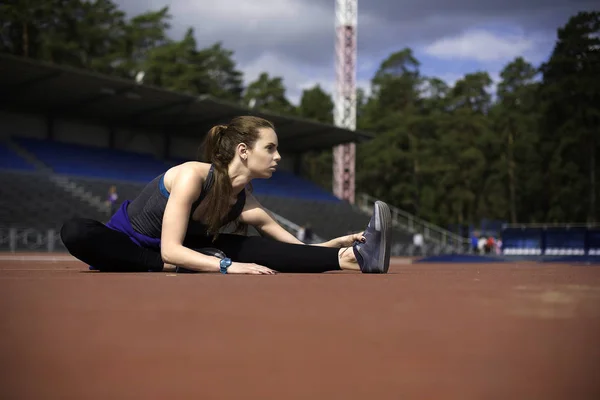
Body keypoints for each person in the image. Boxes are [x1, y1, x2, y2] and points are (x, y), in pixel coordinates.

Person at [60, 116, 392, 275]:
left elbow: (293, 250)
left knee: (258, 249)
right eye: (271, 148)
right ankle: (178, 264)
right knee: (76, 230)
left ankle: (355, 259)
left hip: (192, 253)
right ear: (244, 151)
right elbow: (171, 248)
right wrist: (227, 266)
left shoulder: (246, 202)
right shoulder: (192, 177)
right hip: (127, 248)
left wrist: (337, 244)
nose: (278, 158)